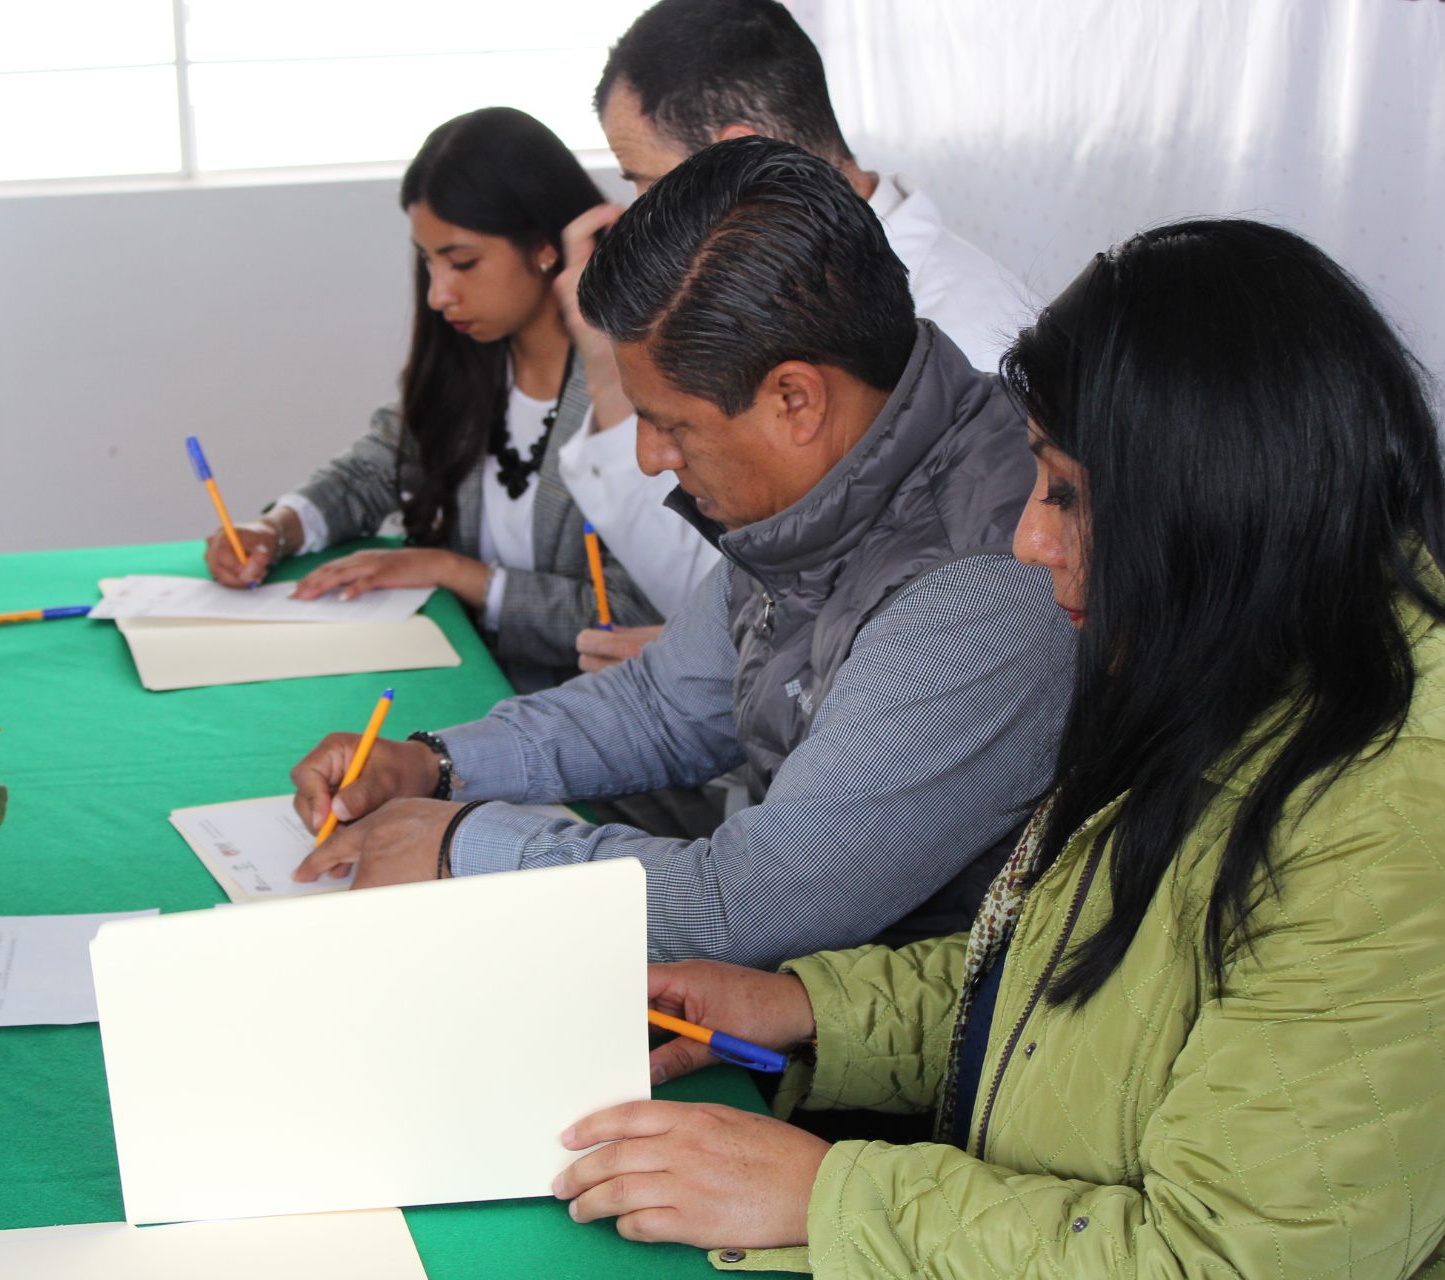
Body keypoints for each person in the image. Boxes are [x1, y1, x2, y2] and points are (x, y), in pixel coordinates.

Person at [550, 219, 1445, 1273]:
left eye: (1068, 493)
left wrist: (829, 1192)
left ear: (1215, 501)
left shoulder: (1417, 809)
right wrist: (814, 1007)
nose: (1028, 537)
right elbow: (1096, 989)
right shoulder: (1238, 659)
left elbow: (1223, 1260)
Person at [289, 138, 1072, 971]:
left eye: (671, 424)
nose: (649, 457)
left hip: (933, 1065)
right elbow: (664, 703)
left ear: (794, 400)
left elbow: (755, 904)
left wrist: (464, 848)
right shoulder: (834, 476)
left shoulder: (987, 582)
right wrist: (436, 764)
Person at [561, 0, 1041, 672]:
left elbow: (947, 647)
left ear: (736, 151)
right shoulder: (796, 289)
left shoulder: (974, 340)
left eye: (644, 181)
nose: (638, 215)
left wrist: (721, 672)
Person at [202, 107, 657, 690]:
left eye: (462, 262)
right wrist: (277, 529)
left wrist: (453, 572)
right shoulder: (472, 360)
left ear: (544, 247)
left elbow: (634, 618)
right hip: (464, 685)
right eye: (428, 261)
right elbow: (372, 470)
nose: (439, 293)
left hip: (592, 719)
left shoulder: (627, 390)